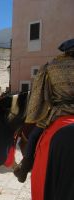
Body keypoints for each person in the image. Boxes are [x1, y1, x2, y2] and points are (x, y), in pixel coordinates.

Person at [13, 38, 74, 183]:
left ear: (65, 51)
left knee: (33, 136)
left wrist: (35, 113)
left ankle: (24, 169)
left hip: (59, 112)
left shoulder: (51, 66)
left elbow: (40, 94)